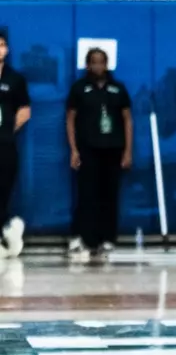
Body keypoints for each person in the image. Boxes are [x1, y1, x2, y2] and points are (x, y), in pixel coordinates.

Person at [64, 47, 131, 261]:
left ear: (107, 64)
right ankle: (82, 238)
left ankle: (107, 239)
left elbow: (127, 120)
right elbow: (70, 119)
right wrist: (74, 149)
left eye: (101, 62)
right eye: (93, 62)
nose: (97, 66)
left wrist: (128, 151)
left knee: (109, 196)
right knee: (86, 196)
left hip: (113, 150)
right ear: (87, 65)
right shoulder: (79, 88)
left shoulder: (118, 89)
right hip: (88, 150)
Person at [0, 31, 31, 258]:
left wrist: (8, 130)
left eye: (1, 45)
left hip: (5, 144)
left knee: (3, 190)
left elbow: (25, 111)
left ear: (7, 49)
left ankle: (5, 235)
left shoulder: (15, 79)